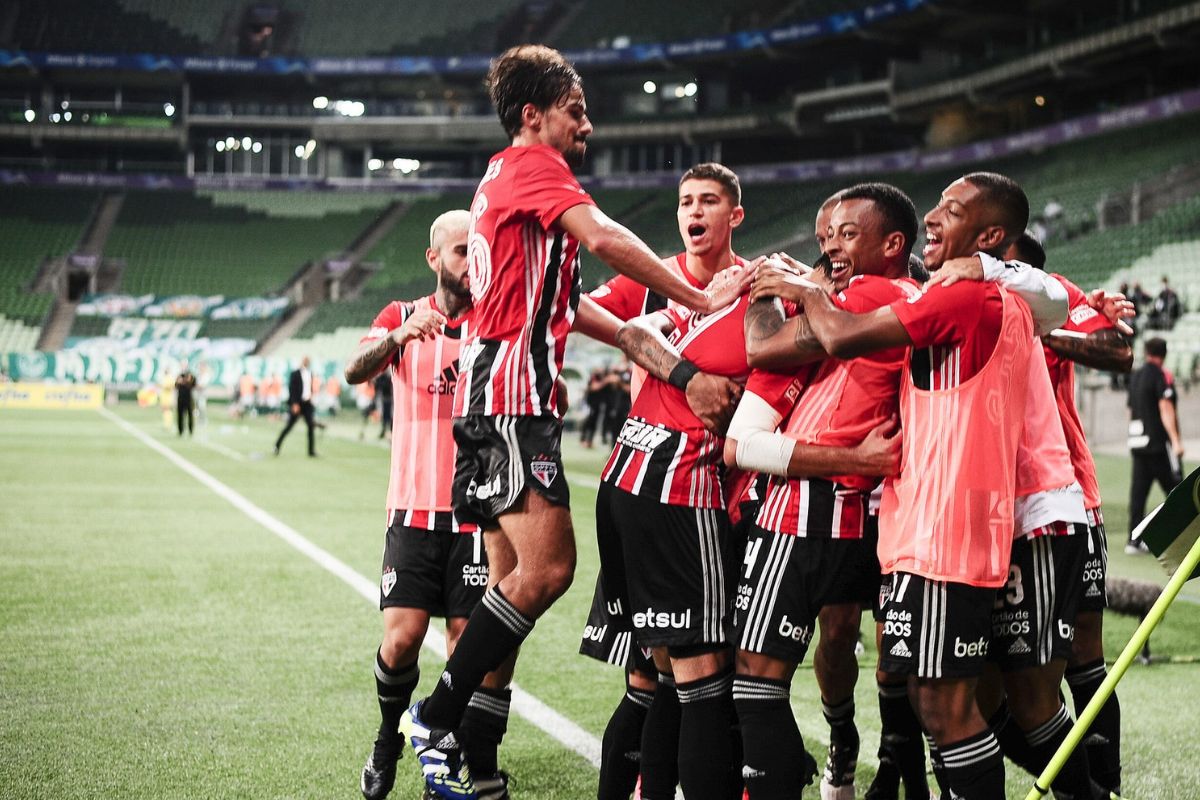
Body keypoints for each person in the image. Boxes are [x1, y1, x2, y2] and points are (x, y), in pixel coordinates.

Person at [398, 45, 749, 800]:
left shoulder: (501, 177)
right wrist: (698, 301)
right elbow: (604, 238)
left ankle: (473, 770)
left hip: (497, 399)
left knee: (506, 585)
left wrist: (659, 355)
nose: (586, 122)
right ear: (535, 115)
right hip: (514, 402)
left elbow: (575, 308)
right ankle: (435, 717)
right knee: (549, 571)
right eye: (575, 108)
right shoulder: (534, 167)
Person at [785, 172, 1067, 800]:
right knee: (940, 694)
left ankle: (1088, 786)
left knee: (948, 705)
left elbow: (837, 335)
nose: (934, 217)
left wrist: (805, 288)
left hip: (948, 529)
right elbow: (1057, 301)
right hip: (940, 525)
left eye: (951, 209)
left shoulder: (963, 297)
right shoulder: (983, 293)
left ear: (990, 236)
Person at [736, 183, 932, 800]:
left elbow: (759, 348)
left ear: (893, 244)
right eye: (826, 238)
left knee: (758, 675)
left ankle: (831, 750)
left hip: (813, 508)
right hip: (875, 504)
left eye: (847, 234)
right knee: (857, 639)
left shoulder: (865, 297)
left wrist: (775, 285)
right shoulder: (857, 302)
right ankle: (863, 750)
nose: (832, 247)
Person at [579, 161, 750, 800]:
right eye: (685, 202)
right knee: (694, 674)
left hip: (679, 488)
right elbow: (575, 313)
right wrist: (651, 346)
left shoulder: (757, 289)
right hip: (667, 489)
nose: (693, 212)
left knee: (656, 682)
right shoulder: (650, 282)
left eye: (708, 201)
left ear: (734, 215)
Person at [344, 210, 514, 800]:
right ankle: (389, 737)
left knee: (471, 642)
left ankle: (453, 758)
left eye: (478, 252)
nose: (471, 263)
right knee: (403, 640)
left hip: (476, 516)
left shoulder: (496, 324)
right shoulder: (402, 315)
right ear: (434, 257)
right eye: (462, 251)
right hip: (412, 513)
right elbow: (352, 371)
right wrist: (394, 337)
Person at [1127, 337, 1184, 552]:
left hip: (1138, 443)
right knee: (1179, 490)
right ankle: (1187, 538)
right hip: (1159, 445)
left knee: (1138, 494)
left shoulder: (1136, 376)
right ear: (1164, 354)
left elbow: (1130, 411)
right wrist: (1176, 442)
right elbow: (1165, 408)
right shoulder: (1162, 376)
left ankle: (1133, 540)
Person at [274, 356, 316, 457]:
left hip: (307, 404)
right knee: (289, 426)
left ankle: (311, 451)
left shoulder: (310, 373)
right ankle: (277, 445)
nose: (306, 362)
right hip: (297, 403)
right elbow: (292, 389)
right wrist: (294, 404)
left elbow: (308, 388)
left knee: (311, 426)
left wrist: (311, 397)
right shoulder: (295, 373)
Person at [175, 360, 197, 437]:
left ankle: (191, 430)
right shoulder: (179, 375)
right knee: (180, 416)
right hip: (180, 398)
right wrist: (179, 382)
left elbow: (194, 384)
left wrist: (185, 382)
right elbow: (176, 385)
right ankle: (180, 431)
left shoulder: (190, 375)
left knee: (190, 415)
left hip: (189, 398)